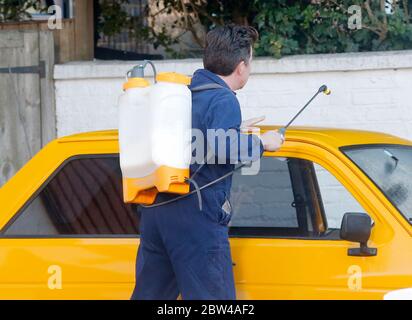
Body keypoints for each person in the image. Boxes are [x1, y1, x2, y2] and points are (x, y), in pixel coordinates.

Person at [131, 25, 284, 300]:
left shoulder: (183, 95)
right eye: (251, 62)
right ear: (241, 66)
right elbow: (224, 147)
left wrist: (235, 130)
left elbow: (194, 140)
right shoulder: (223, 99)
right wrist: (263, 143)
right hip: (196, 218)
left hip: (156, 213)